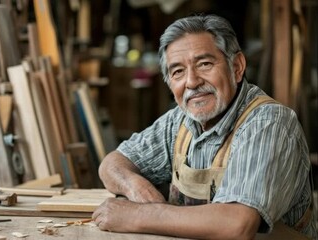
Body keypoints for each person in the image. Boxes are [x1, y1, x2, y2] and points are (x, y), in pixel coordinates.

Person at [92, 14, 316, 240]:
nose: (192, 81)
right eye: (178, 71)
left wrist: (140, 215)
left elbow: (237, 225)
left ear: (237, 67)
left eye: (205, 64)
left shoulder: (268, 122)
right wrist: (134, 187)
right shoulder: (178, 122)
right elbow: (113, 163)